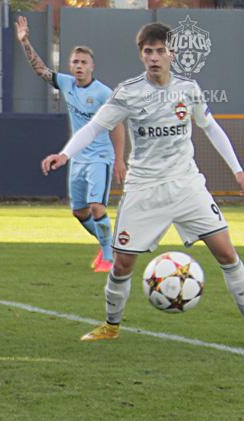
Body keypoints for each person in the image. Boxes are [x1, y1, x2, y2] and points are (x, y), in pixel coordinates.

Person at [41, 23, 244, 341]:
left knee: (227, 254)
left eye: (161, 51)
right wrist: (65, 154)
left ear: (172, 54)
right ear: (141, 54)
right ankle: (111, 326)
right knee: (122, 264)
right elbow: (94, 127)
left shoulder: (188, 89)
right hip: (144, 188)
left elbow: (210, 127)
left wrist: (238, 170)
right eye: (148, 51)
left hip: (186, 184)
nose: (154, 57)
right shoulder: (128, 92)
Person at [16, 16, 125, 273]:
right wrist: (25, 41)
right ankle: (109, 245)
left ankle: (108, 259)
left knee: (97, 206)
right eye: (75, 62)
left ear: (92, 66)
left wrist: (119, 159)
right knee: (80, 212)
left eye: (83, 62)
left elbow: (118, 125)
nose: (79, 66)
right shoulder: (66, 84)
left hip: (100, 157)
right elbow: (40, 70)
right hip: (77, 156)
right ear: (70, 65)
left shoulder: (103, 93)